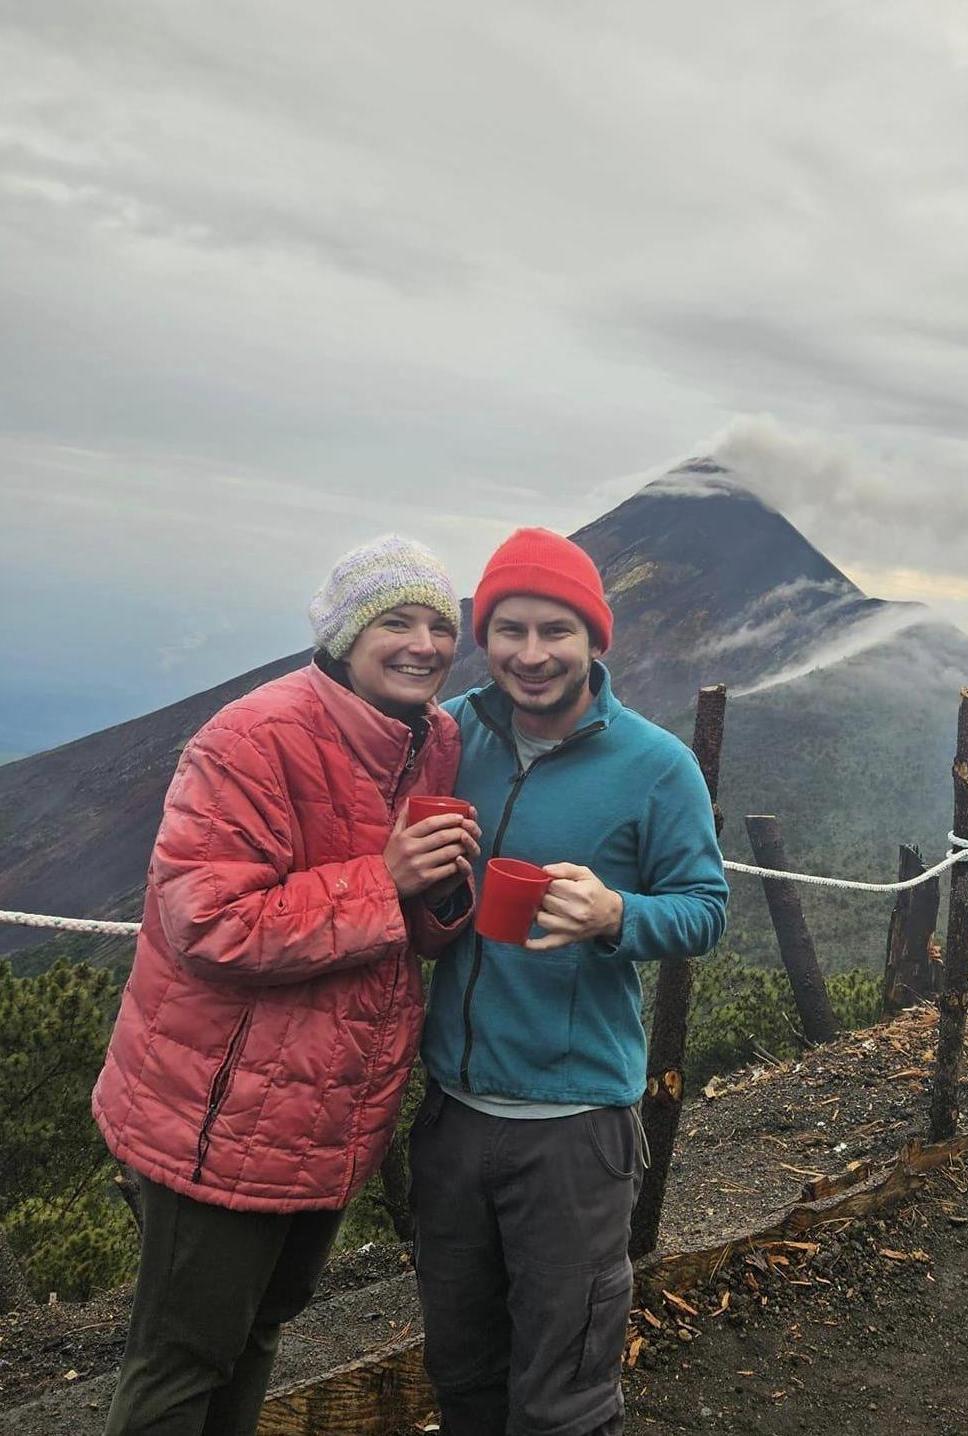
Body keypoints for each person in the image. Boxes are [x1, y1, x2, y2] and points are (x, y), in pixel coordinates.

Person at [92, 535, 480, 1436]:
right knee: (182, 1356)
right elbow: (208, 923)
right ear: (345, 634)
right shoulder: (253, 737)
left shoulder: (436, 739)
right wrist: (386, 880)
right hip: (219, 1111)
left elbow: (410, 928)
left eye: (439, 624)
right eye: (397, 621)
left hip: (334, 1112)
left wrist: (442, 890)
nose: (423, 643)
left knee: (261, 1327)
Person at [412, 527, 729, 1436]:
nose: (532, 654)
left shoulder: (655, 765)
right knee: (463, 1374)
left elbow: (705, 909)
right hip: (452, 1119)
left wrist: (617, 918)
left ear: (596, 640)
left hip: (574, 1131)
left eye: (558, 630)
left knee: (564, 1396)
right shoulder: (452, 736)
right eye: (510, 629)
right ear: (485, 636)